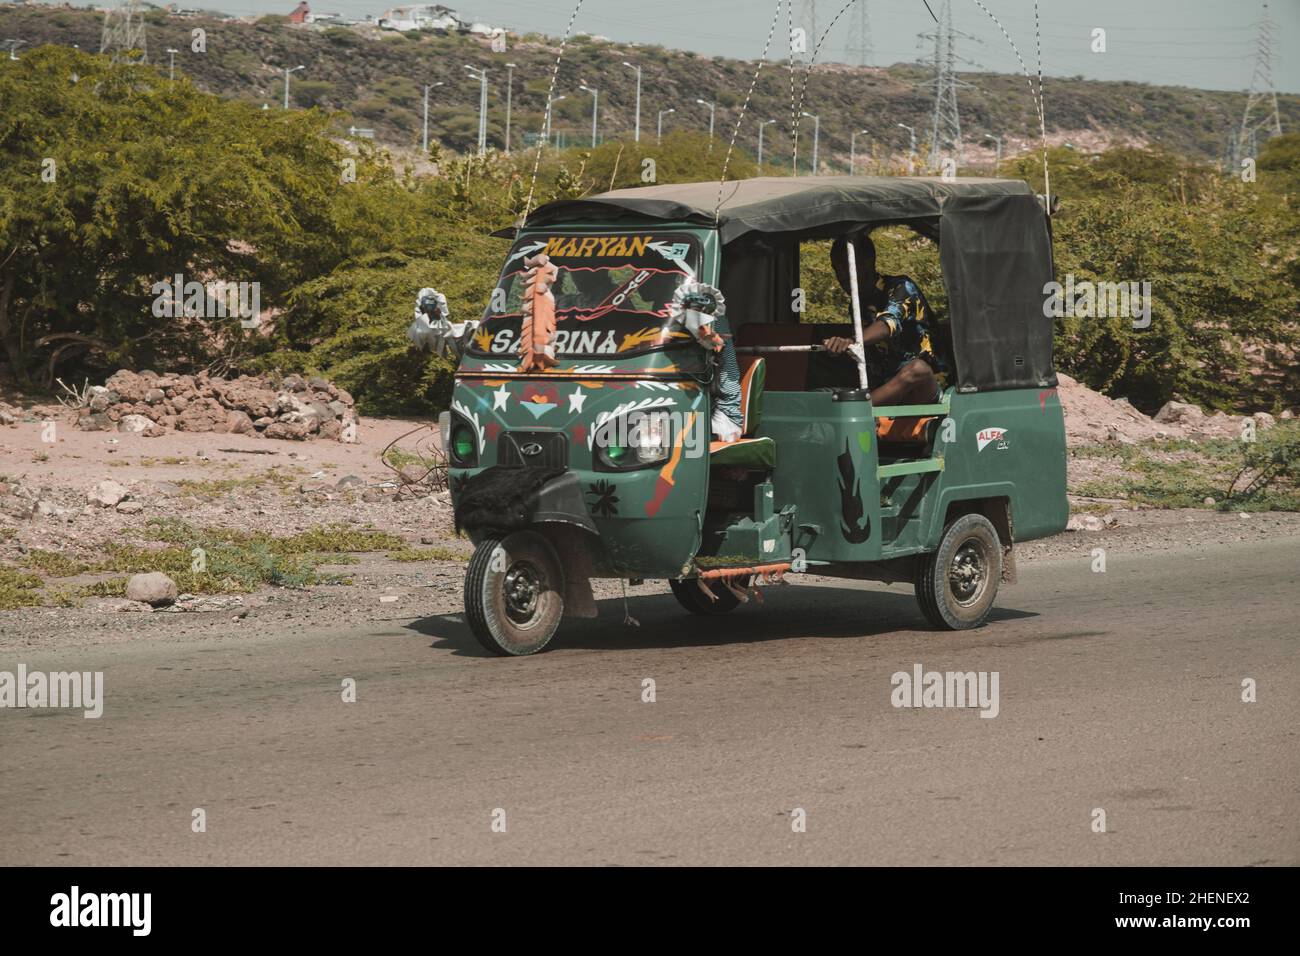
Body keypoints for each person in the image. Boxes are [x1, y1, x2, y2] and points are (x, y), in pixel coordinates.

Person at [818, 232, 948, 405]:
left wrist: (851, 341)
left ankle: (859, 409)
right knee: (822, 393)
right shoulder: (856, 306)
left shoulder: (902, 287)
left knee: (917, 369)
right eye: (837, 269)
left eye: (846, 266)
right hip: (888, 389)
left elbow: (887, 325)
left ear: (868, 263)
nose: (841, 276)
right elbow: (871, 361)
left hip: (927, 387)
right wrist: (838, 349)